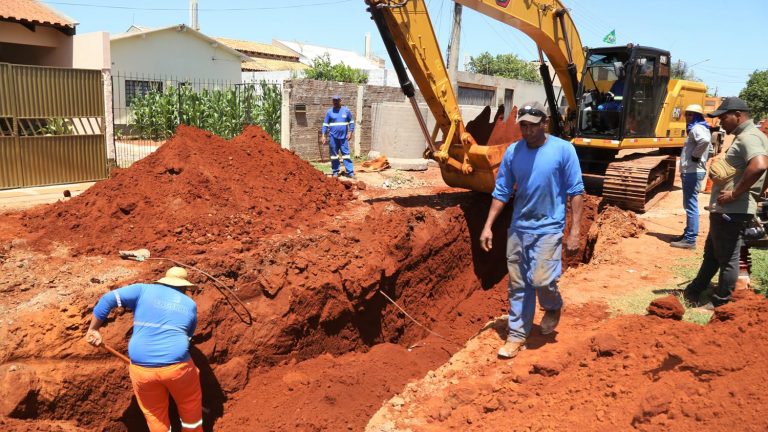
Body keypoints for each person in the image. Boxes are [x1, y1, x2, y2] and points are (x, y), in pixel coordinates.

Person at [479, 101, 585, 359]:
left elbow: (576, 192)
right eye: (523, 125)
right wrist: (488, 226)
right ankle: (517, 334)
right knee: (518, 284)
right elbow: (502, 191)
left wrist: (574, 231)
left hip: (549, 228)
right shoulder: (514, 152)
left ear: (544, 123)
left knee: (541, 280)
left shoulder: (564, 150)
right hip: (519, 228)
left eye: (532, 126)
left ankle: (552, 305)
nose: (527, 131)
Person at [85, 267, 203, 432]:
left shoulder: (143, 290)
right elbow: (187, 337)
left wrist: (93, 329)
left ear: (163, 281)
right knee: (190, 404)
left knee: (154, 414)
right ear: (184, 288)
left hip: (143, 371)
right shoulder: (190, 304)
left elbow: (107, 299)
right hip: (178, 369)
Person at [684, 97, 768, 309]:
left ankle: (720, 303)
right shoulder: (754, 136)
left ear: (738, 115)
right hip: (728, 208)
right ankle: (694, 290)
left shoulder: (748, 137)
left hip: (731, 209)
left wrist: (735, 194)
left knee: (728, 257)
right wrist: (756, 194)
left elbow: (760, 165)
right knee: (713, 252)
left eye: (723, 117)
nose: (720, 122)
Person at [670, 104, 712, 249]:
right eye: (686, 114)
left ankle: (690, 239)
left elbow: (705, 142)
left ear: (697, 116)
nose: (687, 117)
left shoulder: (697, 128)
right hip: (694, 171)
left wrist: (695, 157)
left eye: (690, 114)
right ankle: (688, 233)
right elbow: (710, 148)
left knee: (691, 206)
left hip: (692, 172)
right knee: (689, 205)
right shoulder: (702, 128)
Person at [322, 94, 355, 178]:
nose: (335, 102)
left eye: (337, 100)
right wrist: (323, 135)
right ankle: (335, 171)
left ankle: (350, 172)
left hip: (344, 138)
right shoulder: (329, 112)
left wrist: (350, 132)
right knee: (334, 155)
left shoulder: (346, 111)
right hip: (333, 137)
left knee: (346, 154)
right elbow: (325, 124)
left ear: (340, 101)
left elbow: (351, 122)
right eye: (334, 100)